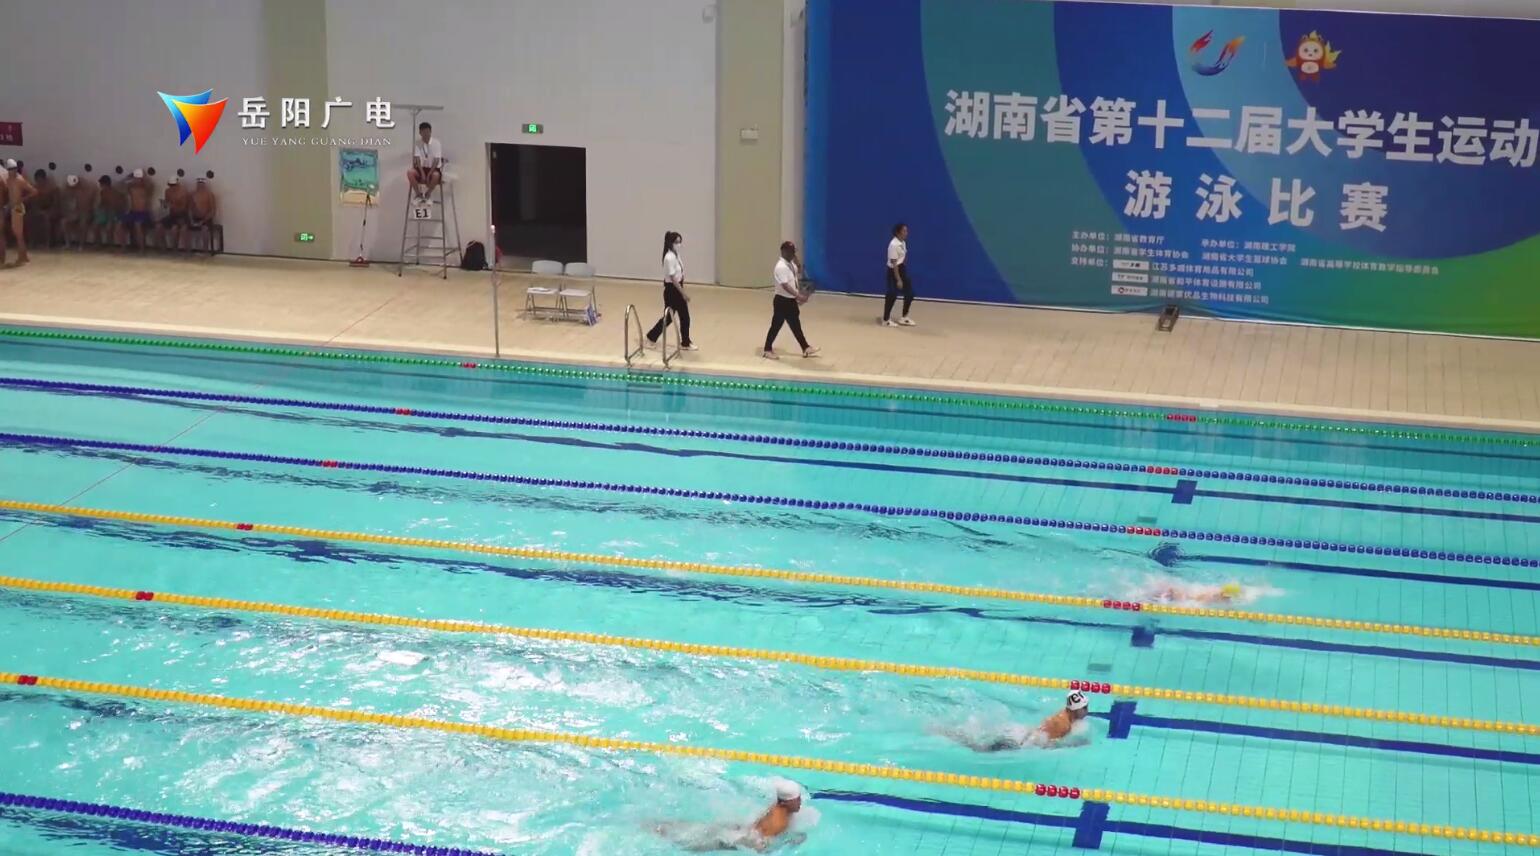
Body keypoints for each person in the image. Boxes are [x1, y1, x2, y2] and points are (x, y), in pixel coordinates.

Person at [656, 778, 809, 852]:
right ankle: (663, 832)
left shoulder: (778, 806)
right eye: (797, 800)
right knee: (694, 845)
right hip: (741, 840)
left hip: (742, 830)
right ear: (785, 803)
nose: (800, 802)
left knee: (702, 831)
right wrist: (791, 839)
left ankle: (665, 827)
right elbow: (762, 847)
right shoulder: (779, 821)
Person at [945, 691, 1091, 752]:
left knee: (982, 739)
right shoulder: (1064, 724)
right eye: (1084, 707)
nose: (1087, 710)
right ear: (1075, 709)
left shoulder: (1065, 714)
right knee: (980, 748)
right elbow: (1049, 745)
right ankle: (947, 732)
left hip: (1021, 732)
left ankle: (953, 731)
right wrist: (1072, 744)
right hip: (1021, 741)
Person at [762, 241, 819, 360]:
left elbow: (799, 271)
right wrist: (798, 296)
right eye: (791, 252)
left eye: (794, 252)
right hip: (782, 301)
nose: (793, 254)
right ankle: (767, 350)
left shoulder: (790, 264)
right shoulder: (781, 267)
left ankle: (805, 347)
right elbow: (785, 285)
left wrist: (797, 262)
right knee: (776, 325)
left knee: (796, 325)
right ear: (783, 252)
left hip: (790, 301)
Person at [645, 230, 696, 351]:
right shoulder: (669, 258)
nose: (679, 244)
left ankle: (683, 342)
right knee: (676, 317)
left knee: (677, 317)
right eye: (677, 242)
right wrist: (683, 293)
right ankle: (683, 342)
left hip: (677, 288)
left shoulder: (676, 255)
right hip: (672, 291)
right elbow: (673, 279)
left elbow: (679, 273)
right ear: (671, 243)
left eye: (680, 242)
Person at [2, 159, 36, 266]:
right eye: (10, 169)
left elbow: (34, 191)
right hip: (11, 207)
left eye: (14, 169)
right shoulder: (7, 179)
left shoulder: (20, 180)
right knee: (17, 232)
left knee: (18, 233)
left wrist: (22, 199)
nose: (12, 171)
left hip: (18, 207)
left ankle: (23, 257)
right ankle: (24, 256)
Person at [882, 222, 917, 327]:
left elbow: (903, 255)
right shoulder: (893, 245)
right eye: (904, 231)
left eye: (906, 231)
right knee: (892, 295)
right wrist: (898, 279)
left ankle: (904, 317)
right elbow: (894, 263)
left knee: (910, 294)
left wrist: (904, 267)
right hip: (893, 271)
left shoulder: (903, 242)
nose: (906, 233)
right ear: (898, 232)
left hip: (901, 269)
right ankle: (886, 320)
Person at [409, 121, 443, 203]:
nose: (426, 134)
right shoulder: (417, 143)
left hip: (433, 168)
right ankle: (418, 194)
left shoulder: (436, 143)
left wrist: (429, 175)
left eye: (427, 132)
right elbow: (417, 159)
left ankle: (428, 194)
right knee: (410, 172)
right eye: (423, 132)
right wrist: (423, 173)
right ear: (420, 133)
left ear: (430, 132)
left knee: (436, 175)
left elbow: (436, 160)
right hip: (422, 168)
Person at [121, 168, 154, 251]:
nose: (137, 180)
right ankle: (123, 247)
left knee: (137, 225)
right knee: (120, 224)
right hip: (132, 212)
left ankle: (141, 249)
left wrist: (144, 177)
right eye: (135, 178)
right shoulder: (130, 187)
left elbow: (150, 184)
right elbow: (121, 184)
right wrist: (129, 176)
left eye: (139, 179)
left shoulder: (146, 188)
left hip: (143, 213)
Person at [26, 169, 59, 250]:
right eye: (37, 180)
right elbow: (33, 202)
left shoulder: (52, 188)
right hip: (39, 209)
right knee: (29, 218)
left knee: (46, 218)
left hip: (51, 210)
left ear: (44, 179)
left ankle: (48, 243)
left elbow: (56, 204)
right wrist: (37, 210)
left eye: (40, 180)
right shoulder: (34, 188)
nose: (39, 182)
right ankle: (32, 242)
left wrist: (47, 212)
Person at [92, 176, 126, 248]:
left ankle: (110, 245)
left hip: (114, 213)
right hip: (105, 212)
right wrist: (98, 209)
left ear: (106, 184)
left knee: (109, 227)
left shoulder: (116, 193)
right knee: (95, 225)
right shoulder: (102, 192)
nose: (101, 186)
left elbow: (121, 206)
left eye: (102, 184)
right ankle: (98, 243)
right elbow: (102, 203)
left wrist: (116, 214)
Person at [59, 175, 91, 249]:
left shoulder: (84, 192)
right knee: (63, 222)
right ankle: (68, 243)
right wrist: (70, 215)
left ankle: (81, 245)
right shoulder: (66, 192)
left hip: (83, 214)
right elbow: (67, 207)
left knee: (83, 223)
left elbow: (85, 208)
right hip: (72, 214)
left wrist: (78, 215)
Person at [160, 177, 191, 251]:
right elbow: (166, 206)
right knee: (158, 226)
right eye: (170, 185)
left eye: (173, 185)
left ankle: (177, 249)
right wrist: (164, 204)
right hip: (172, 215)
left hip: (182, 215)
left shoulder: (183, 192)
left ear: (177, 184)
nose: (172, 187)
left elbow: (183, 208)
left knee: (175, 228)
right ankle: (164, 248)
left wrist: (172, 206)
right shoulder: (167, 191)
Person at [188, 177, 218, 251]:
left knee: (204, 229)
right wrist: (191, 220)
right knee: (185, 228)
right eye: (198, 184)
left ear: (204, 185)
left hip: (206, 218)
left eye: (201, 184)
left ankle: (205, 250)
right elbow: (190, 209)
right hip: (195, 218)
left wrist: (203, 221)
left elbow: (213, 211)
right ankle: (188, 251)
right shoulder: (192, 194)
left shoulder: (210, 195)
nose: (200, 186)